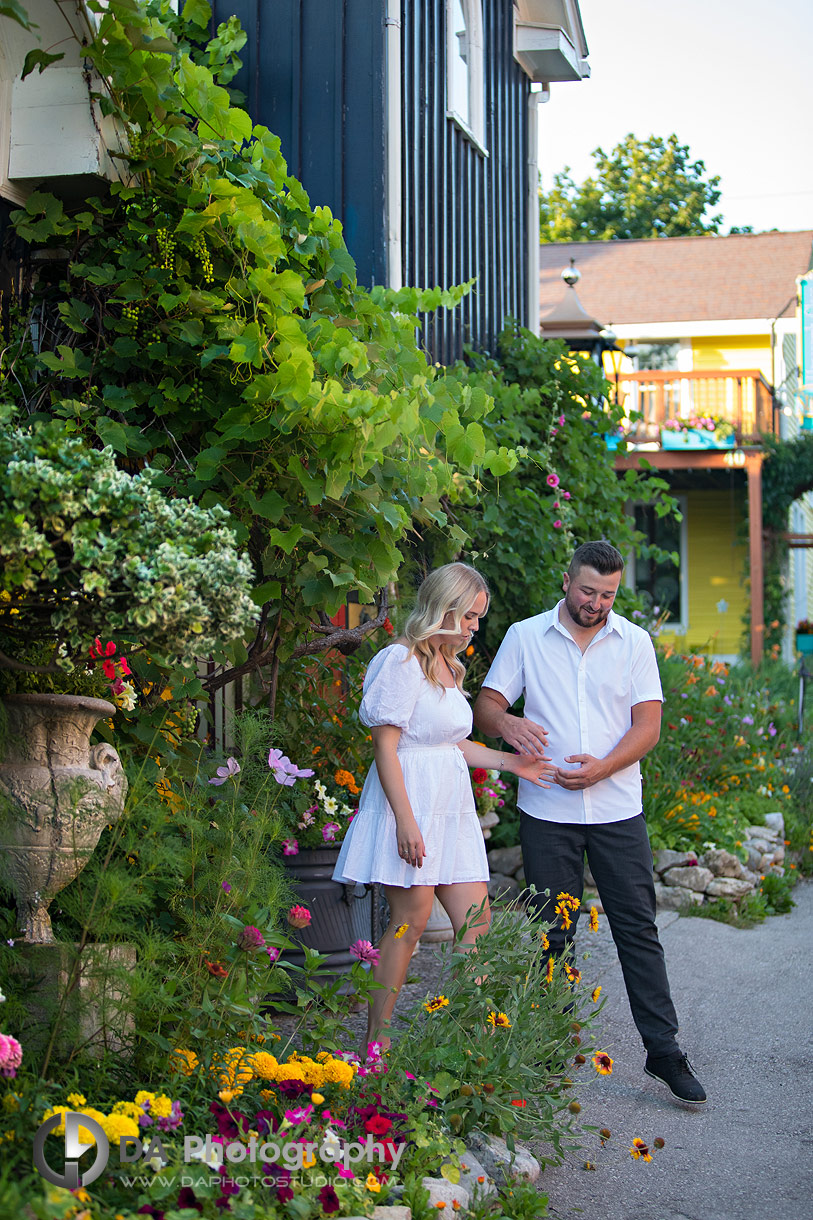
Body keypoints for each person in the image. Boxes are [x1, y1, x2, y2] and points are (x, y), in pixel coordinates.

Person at [472, 540, 707, 1105]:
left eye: (607, 595)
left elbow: (647, 727)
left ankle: (664, 1051)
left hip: (618, 809)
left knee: (638, 930)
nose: (596, 603)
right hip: (546, 809)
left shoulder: (635, 642)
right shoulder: (526, 636)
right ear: (565, 581)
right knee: (551, 931)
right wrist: (508, 727)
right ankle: (551, 1048)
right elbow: (485, 707)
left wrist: (603, 767)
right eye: (587, 591)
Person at [333, 562, 556, 1054]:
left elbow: (453, 744)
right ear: (444, 609)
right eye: (471, 616)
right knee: (409, 923)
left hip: (450, 809)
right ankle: (377, 1044)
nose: (477, 626)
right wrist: (406, 823)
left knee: (477, 921)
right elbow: (386, 749)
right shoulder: (401, 662)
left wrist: (513, 763)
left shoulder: (451, 667)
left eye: (479, 617)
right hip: (409, 804)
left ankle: (465, 1041)